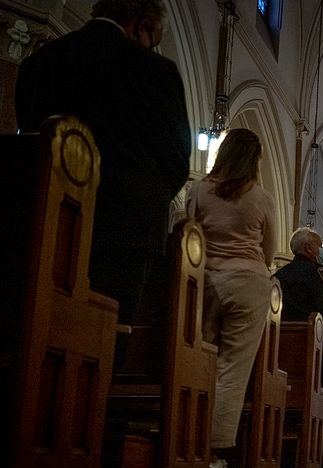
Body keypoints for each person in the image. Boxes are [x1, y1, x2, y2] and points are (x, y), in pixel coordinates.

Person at [15, 0, 191, 326]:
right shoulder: (157, 72)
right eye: (153, 39)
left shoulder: (42, 60)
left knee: (32, 323)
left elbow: (27, 137)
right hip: (125, 230)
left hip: (39, 217)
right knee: (105, 335)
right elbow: (178, 159)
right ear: (141, 26)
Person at [185, 129, 276, 468]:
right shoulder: (261, 197)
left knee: (197, 363)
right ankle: (213, 458)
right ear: (254, 160)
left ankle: (188, 448)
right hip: (248, 284)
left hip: (203, 279)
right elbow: (269, 252)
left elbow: (188, 231)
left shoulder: (199, 190)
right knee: (231, 372)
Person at [274, 228, 323, 341]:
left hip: (281, 337)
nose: (322, 250)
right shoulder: (317, 271)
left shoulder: (279, 274)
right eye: (320, 245)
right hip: (311, 338)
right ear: (308, 248)